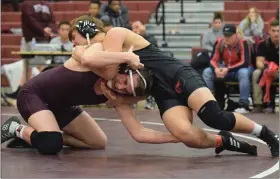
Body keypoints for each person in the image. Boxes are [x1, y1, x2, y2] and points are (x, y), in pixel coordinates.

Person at [71, 15, 279, 157]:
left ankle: (265, 133)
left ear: (86, 30)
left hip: (177, 74)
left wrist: (82, 55)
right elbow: (120, 83)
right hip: (161, 93)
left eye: (74, 39)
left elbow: (109, 72)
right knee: (185, 134)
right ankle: (223, 141)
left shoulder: (115, 34)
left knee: (214, 117)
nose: (74, 45)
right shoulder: (102, 54)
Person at [1, 23, 180, 155]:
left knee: (97, 142)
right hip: (34, 95)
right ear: (123, 68)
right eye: (124, 81)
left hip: (60, 107)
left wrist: (177, 136)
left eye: (126, 90)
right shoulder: (98, 60)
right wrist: (126, 55)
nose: (120, 87)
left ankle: (39, 134)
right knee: (51, 144)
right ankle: (16, 128)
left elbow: (139, 133)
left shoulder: (116, 95)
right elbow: (84, 55)